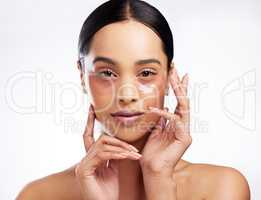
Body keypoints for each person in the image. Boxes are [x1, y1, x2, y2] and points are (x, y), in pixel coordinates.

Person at [16, 0, 250, 199]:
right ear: (81, 76)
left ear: (170, 77)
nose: (127, 95)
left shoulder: (222, 188)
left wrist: (159, 183)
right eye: (107, 73)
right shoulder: (39, 195)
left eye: (146, 73)